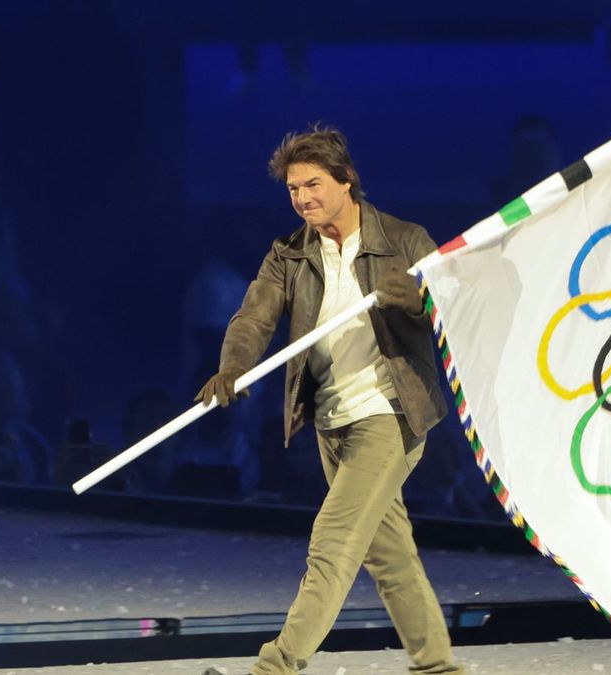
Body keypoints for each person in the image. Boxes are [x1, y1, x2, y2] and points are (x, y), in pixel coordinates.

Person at [195, 125, 462, 674]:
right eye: (293, 190)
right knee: (388, 555)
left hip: (390, 413)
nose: (303, 199)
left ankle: (275, 667)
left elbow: (455, 304)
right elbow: (254, 316)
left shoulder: (404, 239)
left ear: (347, 181)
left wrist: (417, 298)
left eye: (313, 184)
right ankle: (438, 665)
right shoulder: (289, 254)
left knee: (334, 538)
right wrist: (233, 368)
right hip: (330, 420)